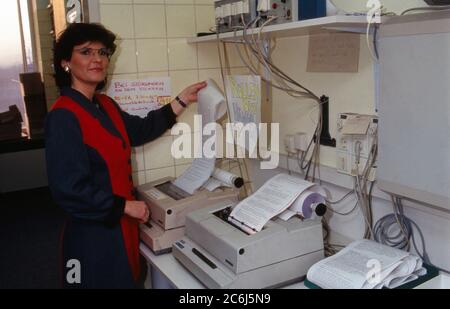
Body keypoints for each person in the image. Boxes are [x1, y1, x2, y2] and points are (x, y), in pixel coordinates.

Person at [45, 23, 206, 289]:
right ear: (65, 62)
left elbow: (140, 130)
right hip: (92, 235)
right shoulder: (64, 116)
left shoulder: (105, 104)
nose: (97, 58)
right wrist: (126, 206)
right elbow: (69, 190)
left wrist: (182, 100)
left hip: (120, 228)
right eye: (85, 52)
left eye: (102, 52)